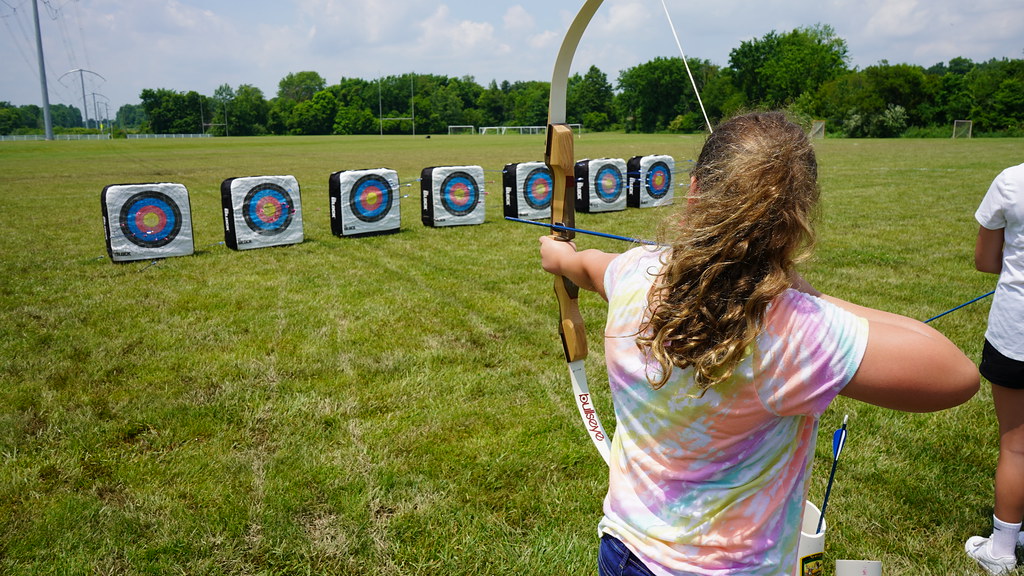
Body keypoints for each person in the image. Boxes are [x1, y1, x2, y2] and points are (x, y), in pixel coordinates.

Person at [539, 111, 980, 576]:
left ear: (693, 193)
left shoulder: (635, 272)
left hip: (624, 551)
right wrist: (806, 293)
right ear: (796, 222)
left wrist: (558, 254)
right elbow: (958, 373)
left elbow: (586, 266)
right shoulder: (794, 329)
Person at [965, 162, 1024, 576]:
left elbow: (985, 260)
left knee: (1017, 445)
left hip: (1016, 334)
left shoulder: (1012, 181)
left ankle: (1001, 549)